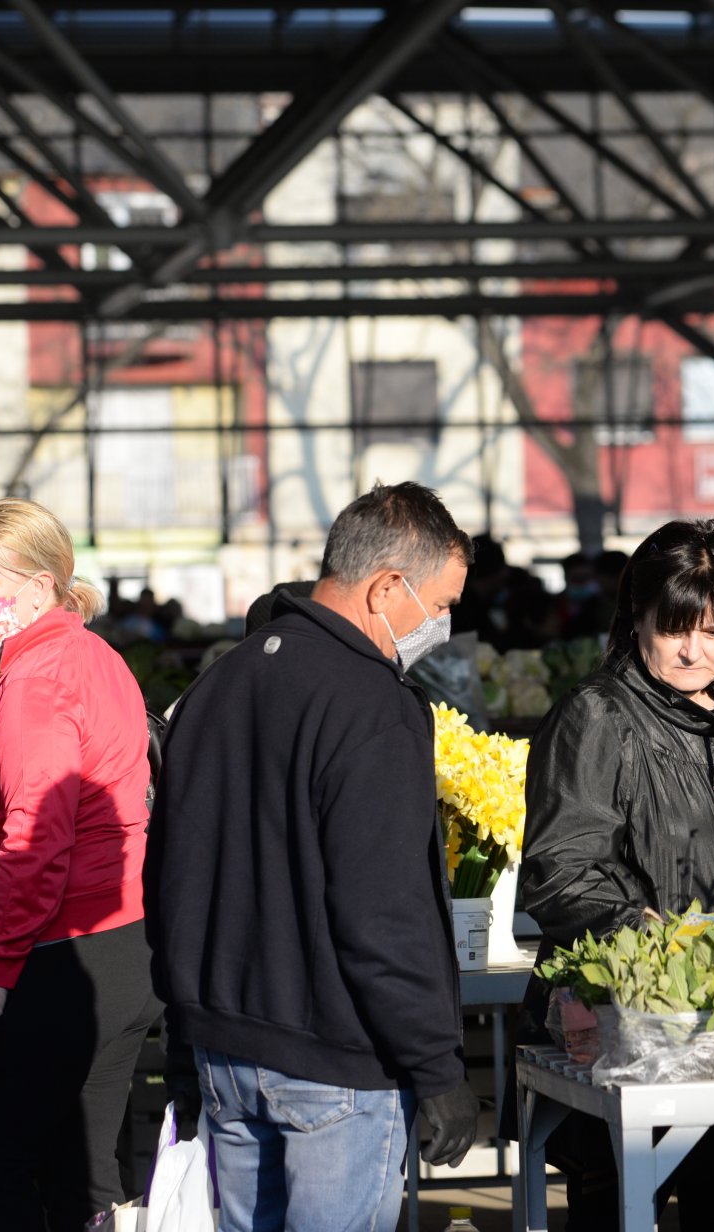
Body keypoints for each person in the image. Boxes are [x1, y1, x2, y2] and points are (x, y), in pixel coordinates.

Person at [147, 482, 478, 1232]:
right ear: (388, 587)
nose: (444, 624)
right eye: (442, 602)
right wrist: (437, 1069)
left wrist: (184, 1027)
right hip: (336, 1066)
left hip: (223, 1049)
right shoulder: (373, 705)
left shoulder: (217, 684)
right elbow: (383, 909)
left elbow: (171, 874)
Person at [519, 518, 714, 1230]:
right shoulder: (597, 717)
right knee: (624, 1210)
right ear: (638, 616)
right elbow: (560, 870)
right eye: (675, 628)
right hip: (630, 1027)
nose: (694, 650)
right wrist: (653, 938)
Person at [0, 498, 159, 1230]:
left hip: (47, 953)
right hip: (118, 943)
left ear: (36, 589)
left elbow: (36, 838)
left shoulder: (34, 682)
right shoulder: (90, 654)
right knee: (82, 1171)